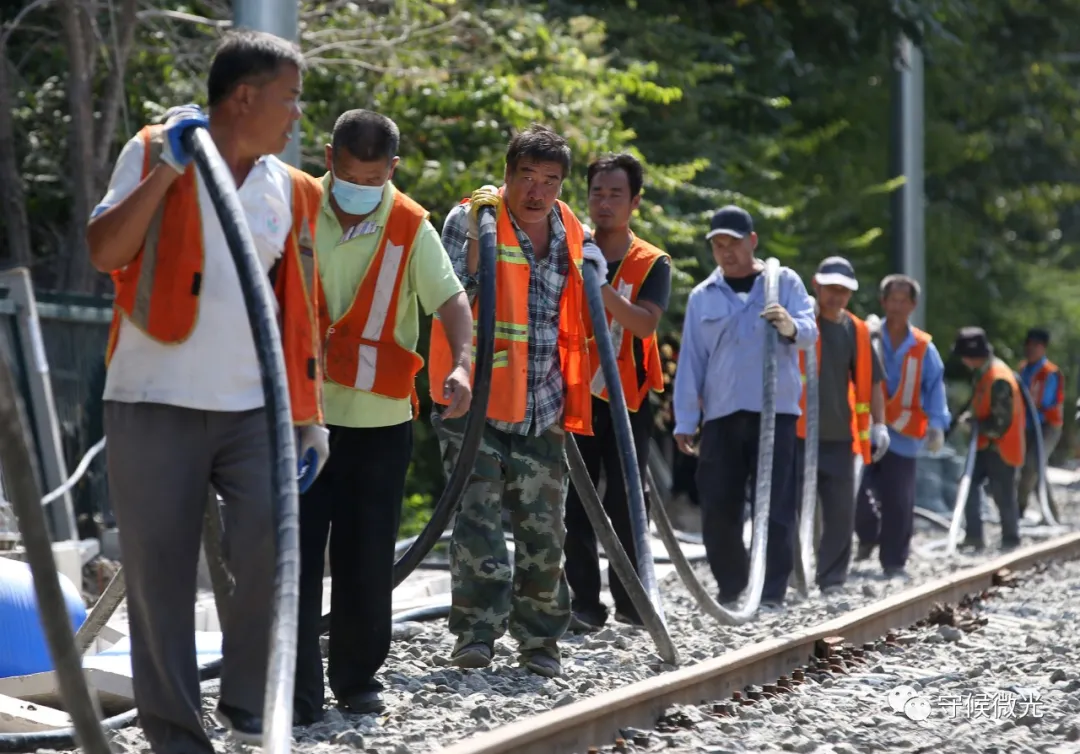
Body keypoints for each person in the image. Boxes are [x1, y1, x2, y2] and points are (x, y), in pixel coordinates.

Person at [86, 30, 328, 751]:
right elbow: (105, 251)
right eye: (289, 100)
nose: (296, 117)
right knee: (160, 580)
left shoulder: (287, 187)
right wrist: (165, 171)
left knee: (270, 549)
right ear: (244, 97)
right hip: (153, 400)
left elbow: (298, 309)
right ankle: (177, 737)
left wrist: (308, 418)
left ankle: (251, 704)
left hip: (254, 409)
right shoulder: (154, 147)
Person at [292, 110, 474, 721]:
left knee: (366, 558)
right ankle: (295, 692)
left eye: (373, 179)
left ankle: (357, 680)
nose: (359, 190)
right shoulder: (295, 206)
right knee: (293, 556)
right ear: (329, 157)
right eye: (349, 176)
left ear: (392, 170)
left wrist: (463, 364)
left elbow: (452, 304)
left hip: (380, 423)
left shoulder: (409, 226)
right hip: (300, 417)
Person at [428, 123, 605, 678]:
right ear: (506, 176)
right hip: (474, 402)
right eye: (526, 177)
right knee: (477, 522)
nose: (537, 191)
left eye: (550, 180)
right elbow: (449, 297)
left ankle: (540, 641)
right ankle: (476, 635)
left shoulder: (572, 230)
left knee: (544, 530)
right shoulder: (472, 220)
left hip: (544, 404)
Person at [672, 206, 817, 609]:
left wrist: (789, 326)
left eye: (732, 244)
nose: (725, 252)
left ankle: (771, 589)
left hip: (776, 412)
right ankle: (733, 584)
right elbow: (691, 361)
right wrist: (686, 418)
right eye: (718, 245)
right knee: (718, 502)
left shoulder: (782, 282)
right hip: (721, 415)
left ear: (751, 242)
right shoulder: (704, 296)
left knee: (776, 504)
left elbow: (809, 331)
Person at [563, 153, 671, 631]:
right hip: (573, 393)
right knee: (574, 503)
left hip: (626, 399)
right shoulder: (567, 246)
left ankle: (632, 602)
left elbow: (644, 323)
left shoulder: (651, 261)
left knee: (626, 500)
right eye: (597, 193)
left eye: (616, 195)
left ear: (635, 202)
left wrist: (600, 285)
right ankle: (584, 605)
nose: (604, 203)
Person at [795, 257, 888, 594]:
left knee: (839, 513)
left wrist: (880, 425)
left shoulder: (857, 330)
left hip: (839, 438)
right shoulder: (801, 323)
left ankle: (831, 579)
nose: (835, 296)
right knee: (790, 510)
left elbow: (874, 381)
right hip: (799, 435)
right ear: (816, 285)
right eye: (830, 289)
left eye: (843, 291)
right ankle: (791, 575)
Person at [854, 275, 949, 577]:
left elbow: (935, 388)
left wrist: (937, 425)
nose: (896, 306)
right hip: (866, 429)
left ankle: (894, 561)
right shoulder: (867, 336)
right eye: (891, 300)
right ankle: (867, 535)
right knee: (853, 492)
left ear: (913, 305)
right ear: (882, 302)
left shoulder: (923, 347)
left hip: (904, 437)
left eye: (902, 301)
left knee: (898, 501)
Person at [952, 327, 1025, 550]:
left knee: (1003, 494)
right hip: (985, 445)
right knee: (968, 485)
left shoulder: (999, 378)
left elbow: (1000, 423)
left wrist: (975, 425)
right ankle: (974, 536)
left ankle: (1011, 539)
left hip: (1001, 446)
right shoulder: (985, 373)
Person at [1017, 327, 1064, 519]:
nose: (1031, 349)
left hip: (1047, 426)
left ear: (1043, 348)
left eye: (1035, 346)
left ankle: (1018, 510)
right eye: (1028, 345)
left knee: (1032, 466)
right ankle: (1052, 514)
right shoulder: (1022, 369)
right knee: (1036, 471)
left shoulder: (1050, 373)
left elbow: (1045, 402)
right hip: (1027, 426)